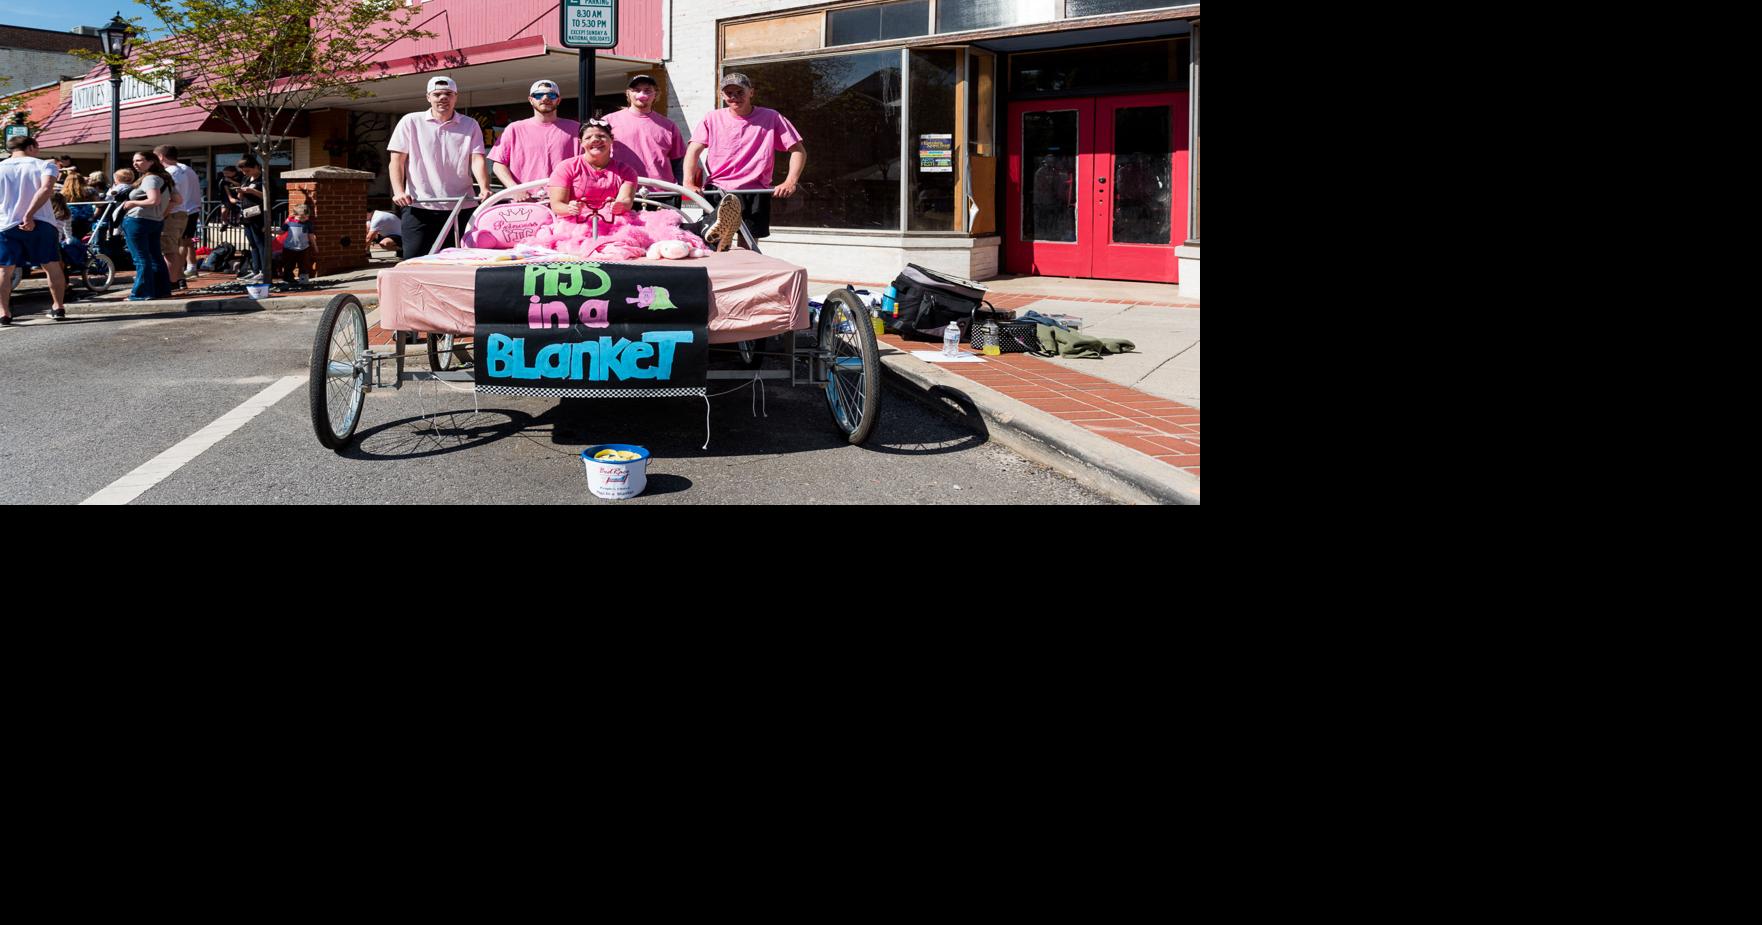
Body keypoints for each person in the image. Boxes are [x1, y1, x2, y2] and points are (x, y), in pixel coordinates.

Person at [682, 72, 806, 240]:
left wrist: (790, 182)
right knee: (714, 241)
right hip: (719, 190)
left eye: (740, 92)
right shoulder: (712, 118)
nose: (734, 97)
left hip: (754, 190)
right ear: (722, 95)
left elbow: (798, 151)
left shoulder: (771, 117)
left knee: (748, 244)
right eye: (729, 93)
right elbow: (693, 150)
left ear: (751, 93)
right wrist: (688, 182)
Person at [388, 75, 491, 259]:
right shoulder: (410, 121)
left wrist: (484, 188)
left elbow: (477, 159)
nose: (443, 98)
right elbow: (397, 160)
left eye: (448, 94)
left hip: (461, 205)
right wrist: (398, 191)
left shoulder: (470, 124)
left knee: (459, 260)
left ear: (455, 97)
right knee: (414, 260)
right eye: (437, 94)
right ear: (428, 97)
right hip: (419, 205)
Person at [529, 119, 638, 256]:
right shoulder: (567, 167)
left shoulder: (626, 171)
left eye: (601, 136)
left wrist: (619, 206)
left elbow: (626, 201)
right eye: (588, 137)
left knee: (625, 245)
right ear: (581, 143)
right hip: (575, 225)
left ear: (611, 140)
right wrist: (570, 208)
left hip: (613, 224)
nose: (595, 140)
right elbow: (557, 205)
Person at [1, 135, 71, 324]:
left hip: (5, 223)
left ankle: (4, 312)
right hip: (42, 221)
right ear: (31, 146)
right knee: (51, 266)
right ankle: (58, 307)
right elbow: (47, 188)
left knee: (4, 270)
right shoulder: (44, 165)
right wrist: (29, 214)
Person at [488, 79, 579, 200]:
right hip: (525, 203)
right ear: (531, 100)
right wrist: (514, 189)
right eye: (539, 95)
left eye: (551, 95)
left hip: (565, 203)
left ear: (559, 100)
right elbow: (498, 165)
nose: (545, 98)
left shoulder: (576, 128)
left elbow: (588, 164)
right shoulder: (514, 129)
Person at [605, 74, 686, 191]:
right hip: (621, 191)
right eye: (636, 90)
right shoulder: (608, 122)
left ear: (656, 94)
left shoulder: (669, 126)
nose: (642, 94)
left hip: (662, 193)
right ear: (628, 93)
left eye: (647, 90)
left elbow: (678, 162)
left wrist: (680, 187)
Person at [123, 150, 179, 300]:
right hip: (155, 222)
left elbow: (154, 200)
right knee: (155, 257)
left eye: (139, 160)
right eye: (134, 161)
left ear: (151, 162)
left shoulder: (150, 178)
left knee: (141, 258)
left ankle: (141, 293)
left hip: (138, 220)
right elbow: (177, 199)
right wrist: (162, 214)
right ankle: (161, 290)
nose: (135, 164)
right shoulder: (165, 178)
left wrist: (132, 202)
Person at [155, 145, 202, 288]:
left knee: (173, 248)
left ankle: (174, 279)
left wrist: (163, 214)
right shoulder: (185, 169)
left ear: (161, 157)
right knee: (180, 245)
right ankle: (178, 277)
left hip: (177, 212)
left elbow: (173, 197)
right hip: (187, 210)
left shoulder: (171, 172)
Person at [233, 155, 268, 282]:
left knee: (260, 243)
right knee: (253, 244)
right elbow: (240, 197)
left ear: (256, 167)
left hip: (258, 215)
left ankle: (264, 271)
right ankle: (255, 270)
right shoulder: (246, 179)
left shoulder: (263, 179)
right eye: (243, 171)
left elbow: (268, 196)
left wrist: (252, 191)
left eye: (247, 170)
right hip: (247, 215)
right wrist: (241, 191)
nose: (245, 173)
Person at [276, 203, 318, 284]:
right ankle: (288, 279)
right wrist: (269, 230)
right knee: (288, 265)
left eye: (305, 217)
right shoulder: (289, 222)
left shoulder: (308, 223)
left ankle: (303, 280)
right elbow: (281, 232)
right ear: (294, 215)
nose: (303, 219)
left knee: (304, 265)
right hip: (289, 248)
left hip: (304, 248)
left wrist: (315, 246)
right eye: (301, 217)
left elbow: (311, 235)